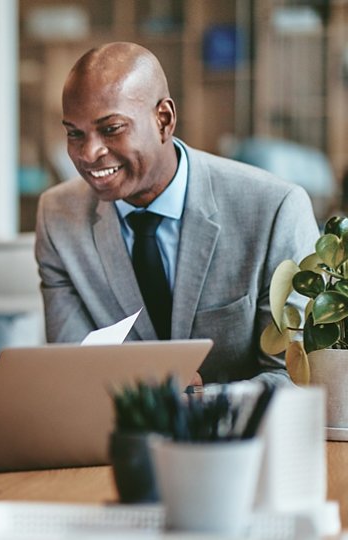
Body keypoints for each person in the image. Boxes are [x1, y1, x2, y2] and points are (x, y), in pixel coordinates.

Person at [35, 42, 318, 385]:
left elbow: (292, 376)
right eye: (75, 134)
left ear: (164, 120)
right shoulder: (58, 216)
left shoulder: (274, 209)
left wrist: (198, 405)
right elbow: (74, 371)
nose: (88, 152)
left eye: (111, 129)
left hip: (240, 436)